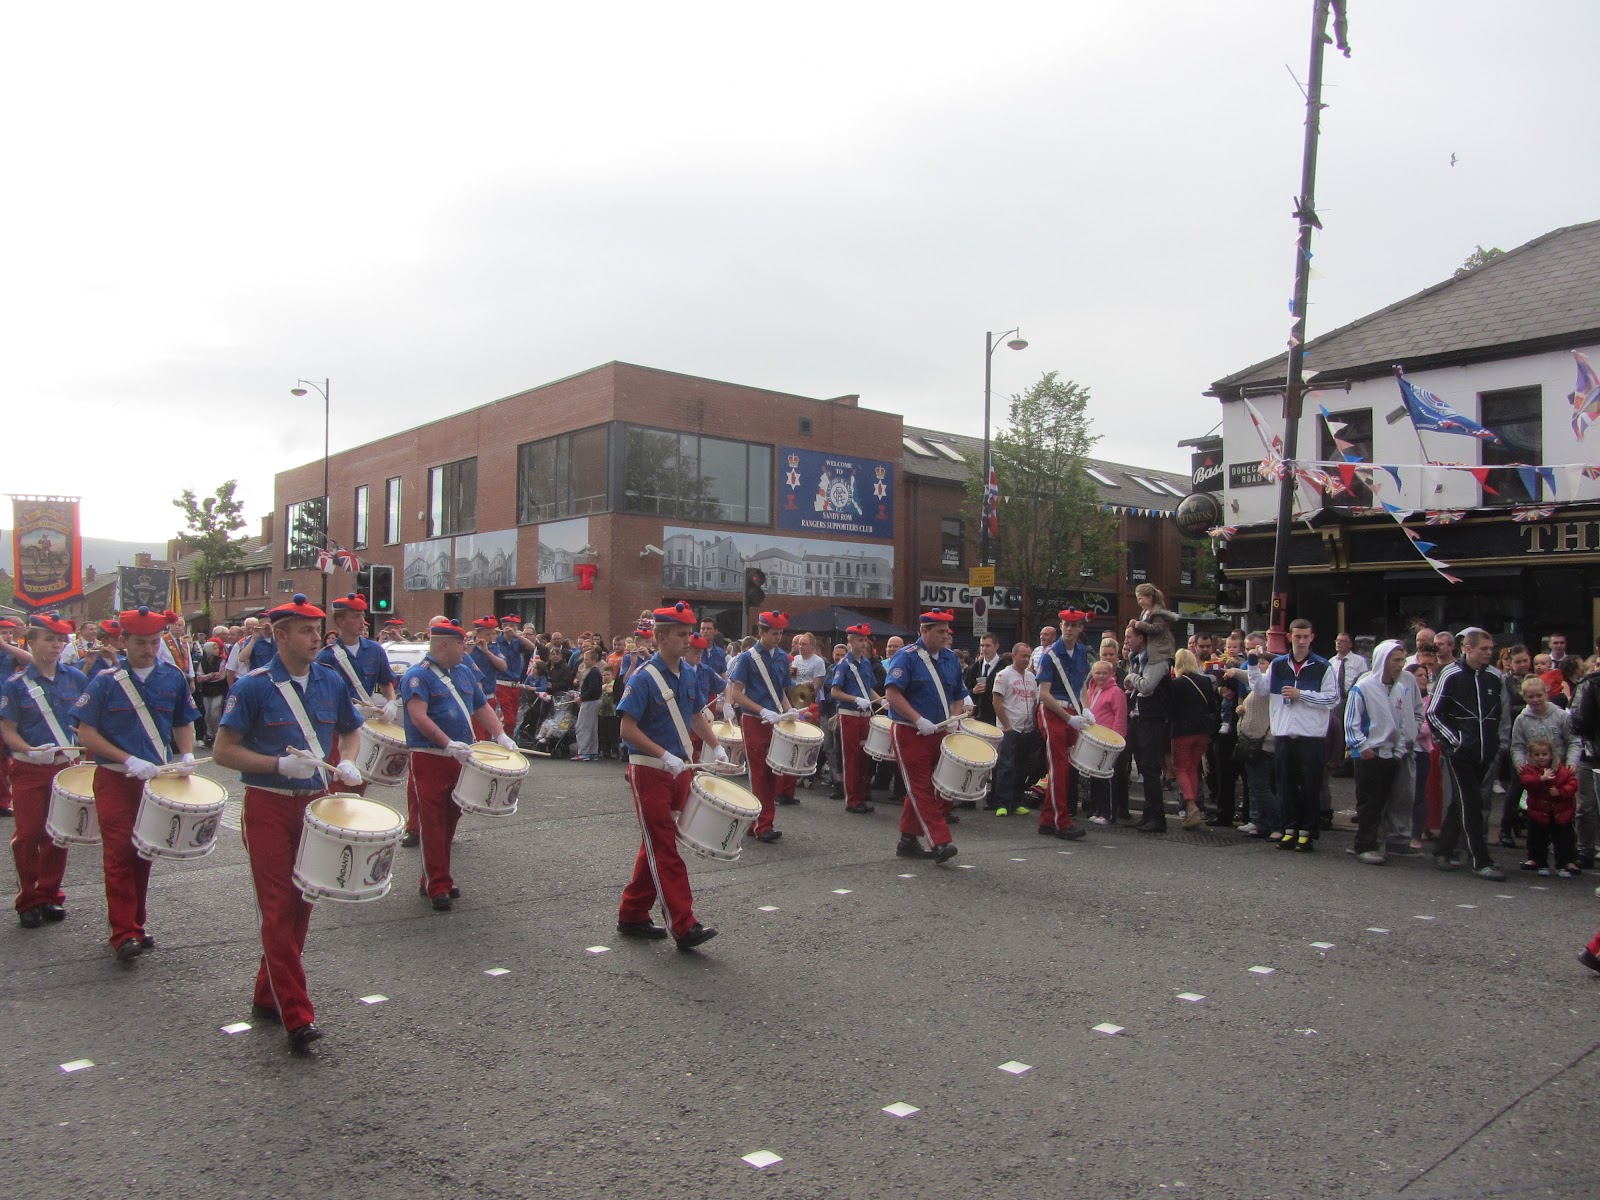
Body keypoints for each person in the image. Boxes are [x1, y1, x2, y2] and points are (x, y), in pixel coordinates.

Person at [212, 594, 365, 1052]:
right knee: (278, 906)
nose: (315, 636)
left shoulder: (330, 681)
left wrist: (351, 761)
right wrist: (276, 766)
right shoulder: (254, 686)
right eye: (303, 629)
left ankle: (267, 992)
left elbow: (350, 730)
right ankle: (297, 1016)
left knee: (303, 904)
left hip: (316, 804)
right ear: (279, 636)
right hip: (268, 804)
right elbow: (222, 750)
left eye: (317, 628)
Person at [71, 607, 201, 960]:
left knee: (144, 851)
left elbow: (183, 721)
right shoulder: (105, 681)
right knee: (118, 853)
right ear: (123, 641)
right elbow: (86, 733)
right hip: (116, 777)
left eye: (154, 642)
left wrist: (186, 754)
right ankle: (123, 931)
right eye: (141, 642)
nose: (149, 649)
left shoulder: (172, 678)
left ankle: (136, 925)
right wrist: (127, 758)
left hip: (155, 779)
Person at [615, 602, 724, 952]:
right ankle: (683, 922)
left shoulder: (690, 673)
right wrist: (661, 754)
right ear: (661, 638)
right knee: (664, 845)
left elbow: (694, 715)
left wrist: (716, 746)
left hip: (679, 770)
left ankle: (632, 913)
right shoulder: (643, 678)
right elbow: (626, 729)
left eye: (689, 633)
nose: (688, 640)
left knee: (656, 841)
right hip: (650, 771)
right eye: (681, 634)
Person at [399, 618, 521, 911]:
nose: (466, 648)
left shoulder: (464, 672)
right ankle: (437, 883)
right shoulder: (418, 676)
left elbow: (481, 707)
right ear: (443, 644)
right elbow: (418, 716)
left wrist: (501, 736)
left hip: (461, 756)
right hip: (431, 756)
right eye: (460, 643)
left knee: (452, 817)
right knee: (432, 821)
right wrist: (446, 742)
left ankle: (434, 876)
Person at [0, 613, 86, 928]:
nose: (57, 645)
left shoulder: (76, 679)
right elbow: (8, 730)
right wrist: (29, 749)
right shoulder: (15, 685)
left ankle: (49, 894)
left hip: (65, 768)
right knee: (28, 834)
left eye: (61, 639)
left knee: (58, 835)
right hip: (28, 768)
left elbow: (85, 722)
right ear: (31, 642)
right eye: (49, 639)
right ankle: (28, 898)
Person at [1247, 619, 1337, 852]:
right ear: (1289, 637)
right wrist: (1253, 665)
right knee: (1285, 786)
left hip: (1311, 736)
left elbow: (1332, 699)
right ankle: (1289, 830)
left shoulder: (1323, 666)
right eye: (1297, 636)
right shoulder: (1278, 665)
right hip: (1284, 734)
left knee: (1309, 787)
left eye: (1305, 637)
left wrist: (1302, 694)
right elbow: (1261, 689)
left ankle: (1307, 832)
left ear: (1312, 638)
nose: (1301, 641)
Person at [886, 610, 969, 863]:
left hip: (940, 731)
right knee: (920, 787)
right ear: (924, 631)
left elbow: (958, 694)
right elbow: (892, 694)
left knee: (928, 787)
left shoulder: (950, 659)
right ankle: (939, 841)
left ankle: (908, 841)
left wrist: (954, 721)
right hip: (911, 732)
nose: (945, 637)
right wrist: (917, 719)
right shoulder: (906, 657)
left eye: (946, 632)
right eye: (940, 632)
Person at [1426, 627, 1507, 881]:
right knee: (1472, 803)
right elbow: (1433, 713)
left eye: (1491, 649)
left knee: (1461, 802)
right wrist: (1455, 742)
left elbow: (1499, 714)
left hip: (1485, 751)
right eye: (1484, 649)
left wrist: (1495, 745)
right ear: (1467, 648)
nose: (1489, 653)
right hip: (1461, 752)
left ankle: (1443, 848)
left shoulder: (1494, 677)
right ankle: (1480, 860)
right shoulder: (1450, 674)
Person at [314, 593, 400, 792]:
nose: (363, 621)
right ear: (340, 621)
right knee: (338, 777)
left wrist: (392, 702)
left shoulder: (375, 650)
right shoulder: (326, 656)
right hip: (337, 726)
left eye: (363, 615)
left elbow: (386, 681)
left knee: (361, 778)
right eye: (356, 616)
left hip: (364, 724)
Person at [1344, 640, 1416, 865]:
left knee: (1383, 800)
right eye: (1396, 660)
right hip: (1369, 753)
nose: (1400, 665)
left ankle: (1372, 842)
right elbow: (1351, 721)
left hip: (1390, 754)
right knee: (1368, 801)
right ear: (1383, 660)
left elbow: (1403, 722)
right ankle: (1365, 845)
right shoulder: (1364, 687)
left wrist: (1399, 750)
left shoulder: (1400, 688)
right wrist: (1362, 747)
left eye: (1403, 660)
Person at [727, 611, 795, 843]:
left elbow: (782, 693)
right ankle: (760, 824)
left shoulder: (782, 657)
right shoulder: (747, 658)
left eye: (781, 633)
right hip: (754, 721)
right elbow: (737, 694)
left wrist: (789, 711)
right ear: (761, 632)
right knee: (758, 773)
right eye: (774, 633)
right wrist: (761, 710)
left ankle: (759, 821)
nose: (778, 638)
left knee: (772, 772)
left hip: (775, 721)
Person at [1034, 608, 1092, 840]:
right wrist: (1068, 718)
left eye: (1073, 625)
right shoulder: (1050, 655)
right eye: (1065, 624)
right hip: (1052, 712)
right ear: (1060, 626)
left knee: (1062, 768)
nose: (1068, 628)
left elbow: (1082, 685)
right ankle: (1061, 822)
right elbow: (1043, 694)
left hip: (1072, 711)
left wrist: (1086, 708)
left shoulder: (1081, 652)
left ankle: (1048, 820)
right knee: (1059, 768)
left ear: (1080, 629)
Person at [829, 623, 881, 815]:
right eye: (860, 640)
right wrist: (855, 699)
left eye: (865, 640)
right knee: (851, 758)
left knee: (864, 758)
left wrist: (883, 701)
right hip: (849, 716)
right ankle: (852, 800)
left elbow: (869, 689)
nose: (864, 643)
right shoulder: (843, 664)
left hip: (865, 716)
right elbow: (835, 692)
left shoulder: (866, 663)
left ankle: (861, 796)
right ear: (849, 641)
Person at [1126, 627, 1174, 832]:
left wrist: (1131, 679)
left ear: (1141, 638)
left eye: (1129, 637)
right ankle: (1148, 813)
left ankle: (1158, 817)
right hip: (1139, 717)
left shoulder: (1156, 661)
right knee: (1145, 768)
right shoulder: (1137, 659)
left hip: (1152, 719)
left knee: (1151, 768)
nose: (1126, 641)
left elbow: (1147, 686)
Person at [990, 642, 1039, 818]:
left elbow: (1034, 703)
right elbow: (997, 701)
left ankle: (1017, 801)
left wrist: (1034, 724)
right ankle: (1002, 802)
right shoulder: (1003, 675)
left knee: (1022, 767)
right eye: (1023, 656)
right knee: (1006, 766)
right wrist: (1007, 726)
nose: (1026, 659)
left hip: (1028, 729)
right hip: (1010, 729)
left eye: (1028, 656)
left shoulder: (1032, 678)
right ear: (1014, 655)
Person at [1168, 649, 1216, 830]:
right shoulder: (1205, 681)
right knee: (1192, 768)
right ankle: (1193, 807)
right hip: (1202, 731)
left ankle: (1191, 805)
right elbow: (1212, 706)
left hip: (1182, 730)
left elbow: (1171, 709)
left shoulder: (1176, 684)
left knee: (1180, 768)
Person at [1518, 737, 1579, 876]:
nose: (1541, 758)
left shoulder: (1561, 770)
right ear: (1531, 756)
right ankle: (1540, 862)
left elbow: (1573, 784)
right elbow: (1526, 782)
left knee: (1564, 840)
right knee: (1537, 839)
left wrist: (1560, 792)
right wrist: (1541, 779)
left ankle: (1563, 864)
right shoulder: (1529, 770)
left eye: (1544, 754)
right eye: (1537, 754)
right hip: (1539, 812)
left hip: (1560, 812)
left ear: (1551, 754)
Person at [1082, 658, 1128, 825]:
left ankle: (1108, 813)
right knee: (1096, 777)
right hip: (1094, 740)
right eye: (1097, 673)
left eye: (1104, 673)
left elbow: (1120, 717)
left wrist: (1117, 740)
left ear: (1111, 674)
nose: (1100, 676)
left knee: (1107, 778)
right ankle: (1098, 810)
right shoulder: (1091, 690)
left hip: (1109, 742)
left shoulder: (1116, 692)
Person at [1326, 632, 1371, 779]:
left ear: (1350, 645)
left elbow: (1364, 679)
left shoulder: (1359, 661)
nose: (1339, 643)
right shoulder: (1331, 661)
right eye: (1337, 641)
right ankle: (1336, 760)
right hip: (1336, 700)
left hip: (1352, 697)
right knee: (1336, 730)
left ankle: (1349, 762)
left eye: (1343, 641)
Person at [1125, 584, 1178, 694]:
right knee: (1132, 655)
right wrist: (1134, 624)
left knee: (1143, 662)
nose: (1139, 602)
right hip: (1149, 647)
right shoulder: (1144, 613)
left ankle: (1140, 676)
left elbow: (1157, 628)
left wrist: (1141, 625)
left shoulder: (1157, 613)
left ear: (1149, 597)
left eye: (1140, 598)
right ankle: (1136, 674)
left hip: (1158, 648)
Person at [490, 614, 538, 734]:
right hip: (501, 684)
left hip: (515, 686)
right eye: (511, 626)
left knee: (513, 721)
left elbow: (532, 647)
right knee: (508, 720)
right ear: (504, 626)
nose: (514, 628)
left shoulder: (517, 641)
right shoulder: (497, 641)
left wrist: (517, 636)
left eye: (516, 626)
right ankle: (500, 740)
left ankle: (508, 743)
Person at [572, 647, 605, 761]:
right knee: (592, 727)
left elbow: (593, 689)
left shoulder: (594, 673)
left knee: (583, 727)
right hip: (593, 701)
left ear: (594, 660)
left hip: (590, 702)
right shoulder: (594, 672)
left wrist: (582, 698)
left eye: (586, 659)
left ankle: (584, 751)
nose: (584, 661)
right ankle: (592, 751)